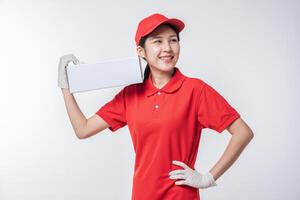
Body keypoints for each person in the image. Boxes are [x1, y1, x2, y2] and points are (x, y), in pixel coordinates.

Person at [58, 13, 254, 200]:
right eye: (157, 41)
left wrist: (208, 178)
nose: (167, 48)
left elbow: (242, 132)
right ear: (141, 51)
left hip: (180, 197)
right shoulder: (131, 95)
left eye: (173, 40)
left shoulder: (195, 90)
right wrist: (66, 86)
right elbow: (82, 129)